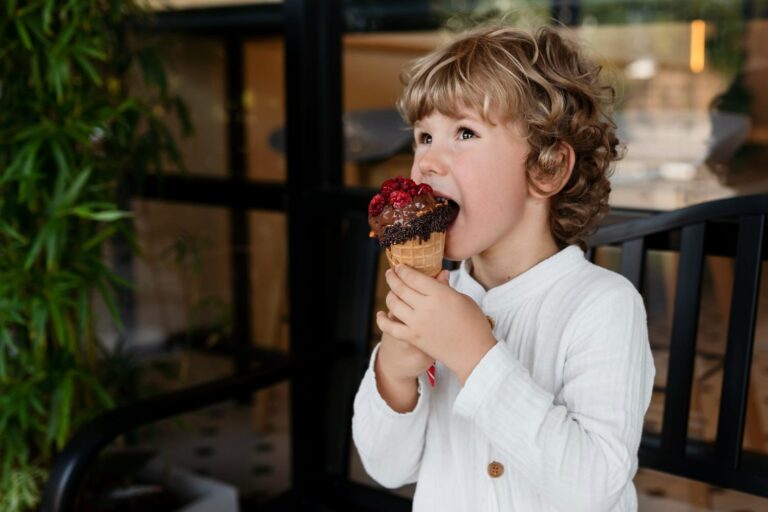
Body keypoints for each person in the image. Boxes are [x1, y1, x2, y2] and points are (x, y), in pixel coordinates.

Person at [351, 24, 656, 512]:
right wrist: (394, 372)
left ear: (547, 167)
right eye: (423, 136)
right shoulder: (438, 298)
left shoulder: (604, 306)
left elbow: (594, 489)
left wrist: (474, 354)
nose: (426, 162)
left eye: (464, 132)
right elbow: (386, 468)